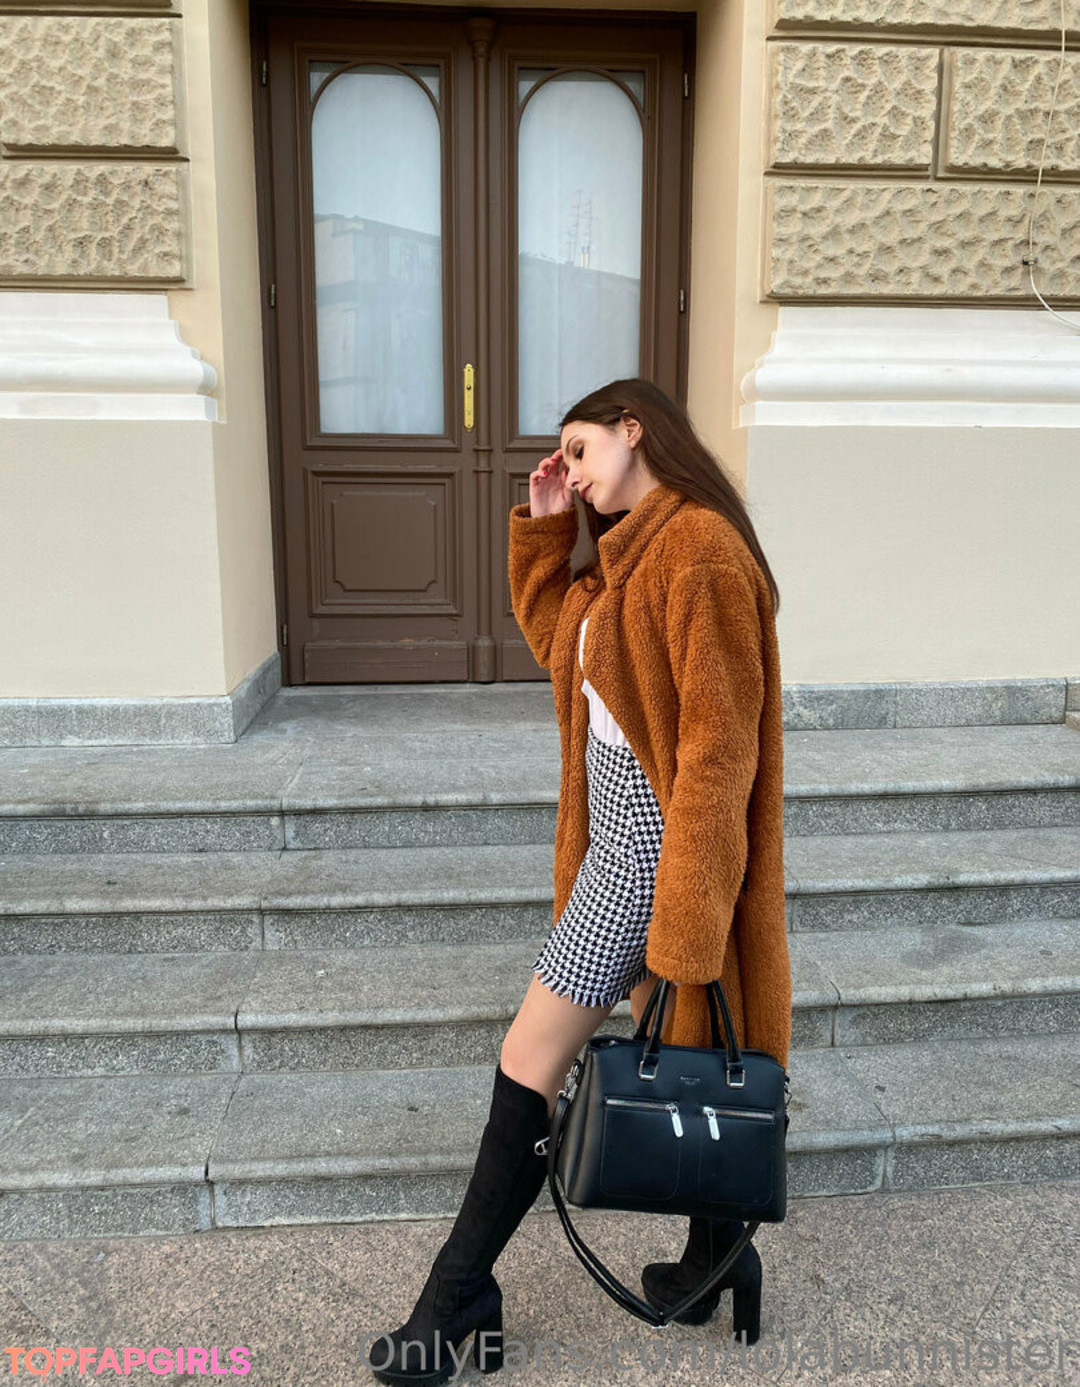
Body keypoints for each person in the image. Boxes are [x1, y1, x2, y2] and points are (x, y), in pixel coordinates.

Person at [368, 378, 792, 1384]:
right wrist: (548, 532)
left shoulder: (698, 552)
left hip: (650, 859)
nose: (570, 467)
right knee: (680, 1055)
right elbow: (566, 650)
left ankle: (454, 1298)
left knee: (528, 1059)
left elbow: (718, 752)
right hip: (618, 853)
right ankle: (717, 1257)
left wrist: (686, 924)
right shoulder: (626, 557)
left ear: (634, 431)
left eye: (580, 448)